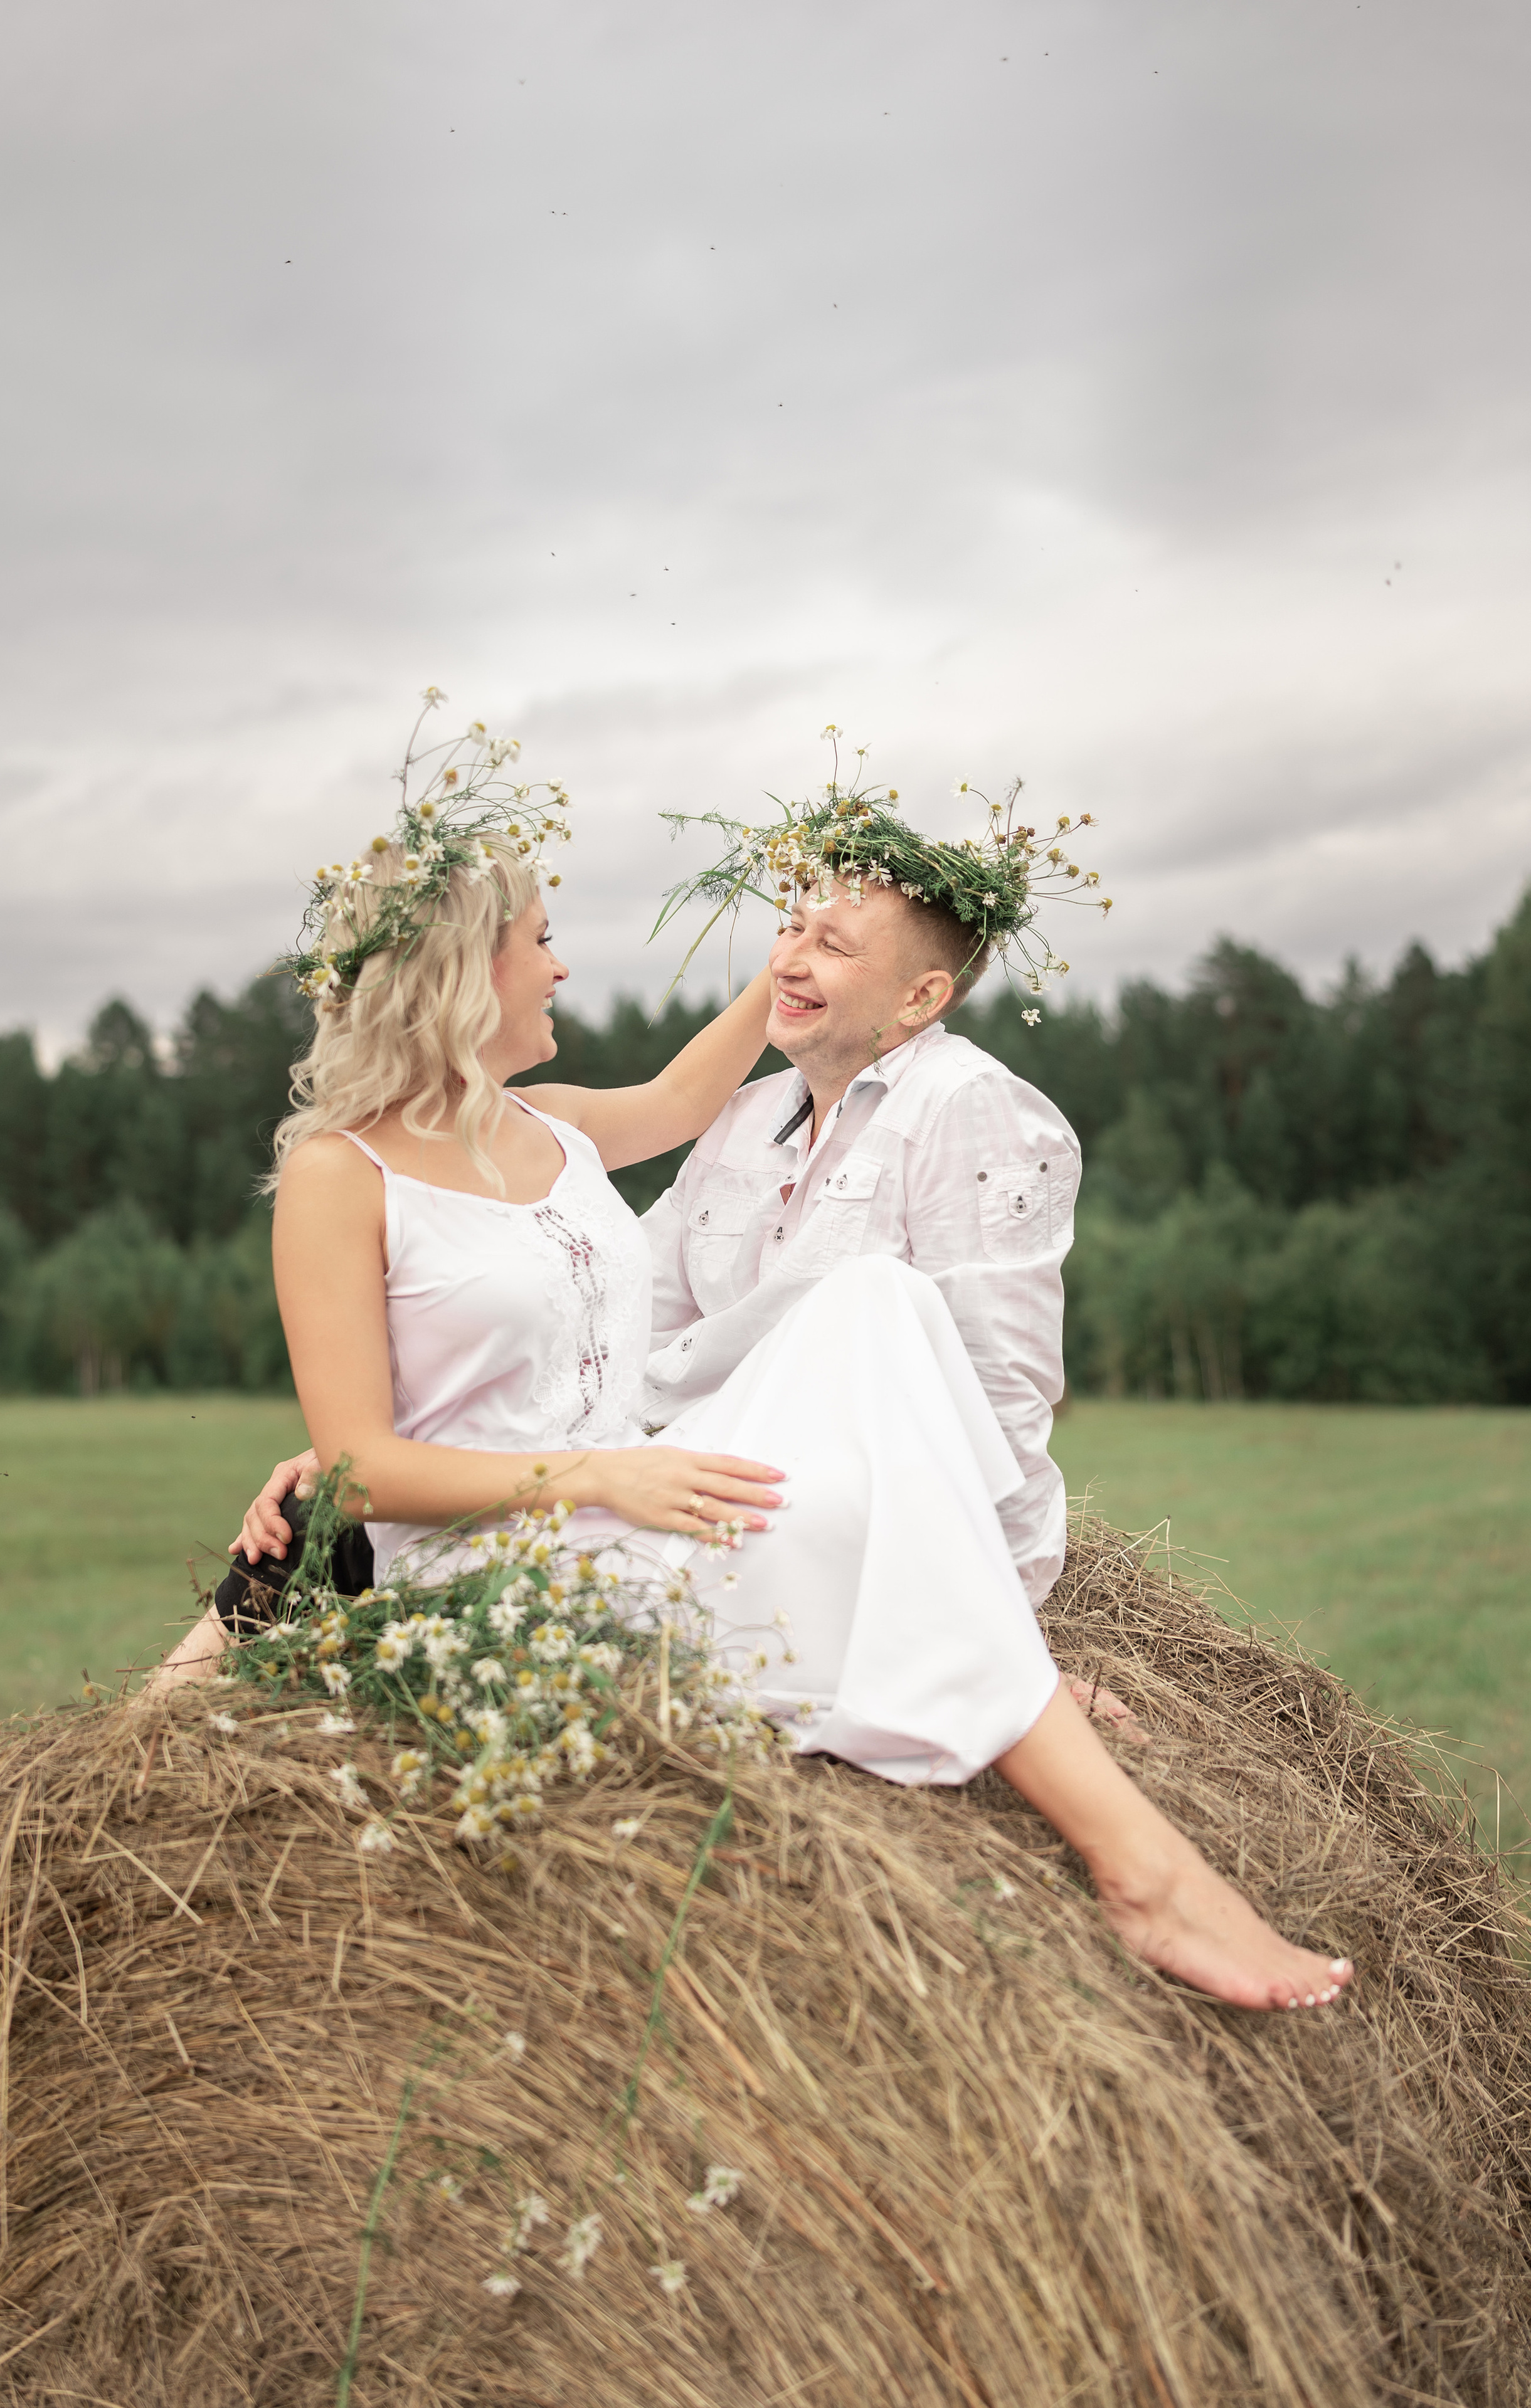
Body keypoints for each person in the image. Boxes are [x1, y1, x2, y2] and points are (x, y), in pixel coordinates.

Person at [160, 729, 1353, 2013]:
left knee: (876, 1298)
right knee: (855, 1427)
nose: (563, 963)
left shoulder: (548, 1128)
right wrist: (487, 1467)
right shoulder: (340, 1174)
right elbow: (367, 1462)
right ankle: (1141, 1865)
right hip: (521, 1563)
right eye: (541, 940)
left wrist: (814, 947)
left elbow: (678, 1114)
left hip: (632, 1499)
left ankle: (1091, 1795)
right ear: (465, 972)